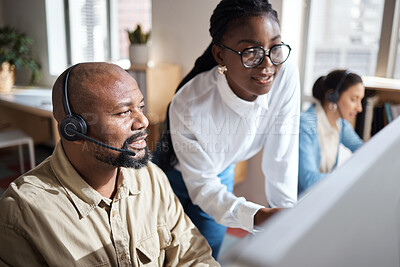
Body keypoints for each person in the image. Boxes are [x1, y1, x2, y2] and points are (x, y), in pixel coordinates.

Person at [0, 62, 219, 266]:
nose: (143, 121)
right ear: (74, 129)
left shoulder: (151, 176)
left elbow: (193, 254)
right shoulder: (22, 212)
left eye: (140, 107)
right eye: (124, 112)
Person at [154, 0, 300, 258]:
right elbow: (201, 184)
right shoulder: (189, 103)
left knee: (206, 255)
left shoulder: (285, 75)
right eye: (251, 52)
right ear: (220, 55)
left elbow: (282, 157)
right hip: (170, 176)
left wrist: (286, 219)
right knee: (163, 253)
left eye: (274, 47)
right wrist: (256, 216)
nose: (267, 64)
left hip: (218, 171)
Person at [298, 69, 365, 195]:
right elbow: (308, 180)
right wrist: (347, 178)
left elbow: (365, 151)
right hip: (299, 205)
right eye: (353, 99)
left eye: (360, 100)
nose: (359, 108)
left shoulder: (341, 125)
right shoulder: (306, 125)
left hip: (321, 197)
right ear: (332, 97)